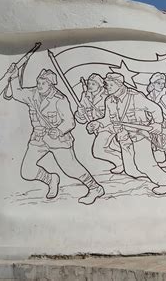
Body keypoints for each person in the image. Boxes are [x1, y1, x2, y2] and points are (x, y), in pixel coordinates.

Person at [6, 63, 104, 205]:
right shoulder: (32, 94)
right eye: (38, 82)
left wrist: (58, 130)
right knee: (27, 171)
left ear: (51, 84)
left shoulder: (60, 99)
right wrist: (14, 75)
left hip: (58, 139)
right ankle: (51, 179)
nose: (39, 85)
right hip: (38, 138)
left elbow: (70, 122)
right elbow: (16, 92)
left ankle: (95, 188)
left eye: (43, 83)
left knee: (71, 169)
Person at [87, 72, 166, 195]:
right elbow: (108, 119)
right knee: (131, 170)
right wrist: (98, 123)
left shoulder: (135, 97)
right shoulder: (110, 100)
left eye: (110, 84)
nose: (106, 87)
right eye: (106, 84)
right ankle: (149, 174)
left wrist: (157, 123)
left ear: (119, 84)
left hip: (139, 135)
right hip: (123, 137)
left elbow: (155, 108)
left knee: (144, 164)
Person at [74, 73, 127, 173]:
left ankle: (120, 162)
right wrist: (80, 114)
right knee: (116, 147)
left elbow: (115, 113)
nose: (90, 86)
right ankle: (127, 162)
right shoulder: (85, 96)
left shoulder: (108, 95)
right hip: (98, 128)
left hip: (109, 126)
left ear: (100, 85)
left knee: (98, 150)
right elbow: (82, 119)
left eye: (93, 84)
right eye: (89, 83)